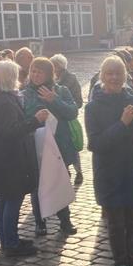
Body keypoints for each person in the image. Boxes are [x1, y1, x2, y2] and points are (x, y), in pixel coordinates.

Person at [85, 55, 133, 266]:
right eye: (109, 73)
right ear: (102, 76)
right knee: (115, 226)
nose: (114, 77)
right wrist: (122, 124)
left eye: (118, 73)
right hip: (109, 175)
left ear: (125, 76)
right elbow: (96, 144)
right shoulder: (92, 107)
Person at [0, 61, 49, 257]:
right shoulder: (5, 101)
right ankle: (11, 243)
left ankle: (7, 239)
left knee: (4, 199)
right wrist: (35, 121)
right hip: (9, 159)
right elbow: (10, 132)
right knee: (12, 199)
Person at [22, 57, 78, 236]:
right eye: (33, 71)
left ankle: (65, 221)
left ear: (49, 74)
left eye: (40, 72)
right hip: (36, 145)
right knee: (37, 185)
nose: (35, 75)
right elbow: (24, 117)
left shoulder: (61, 90)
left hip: (59, 145)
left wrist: (54, 100)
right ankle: (40, 221)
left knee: (61, 182)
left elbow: (72, 112)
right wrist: (38, 114)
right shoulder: (24, 93)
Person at [51, 54, 84, 185]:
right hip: (56, 119)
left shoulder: (71, 79)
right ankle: (65, 170)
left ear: (60, 66)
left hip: (69, 119)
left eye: (55, 65)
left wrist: (67, 105)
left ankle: (78, 171)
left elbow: (78, 101)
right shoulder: (50, 79)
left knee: (73, 145)